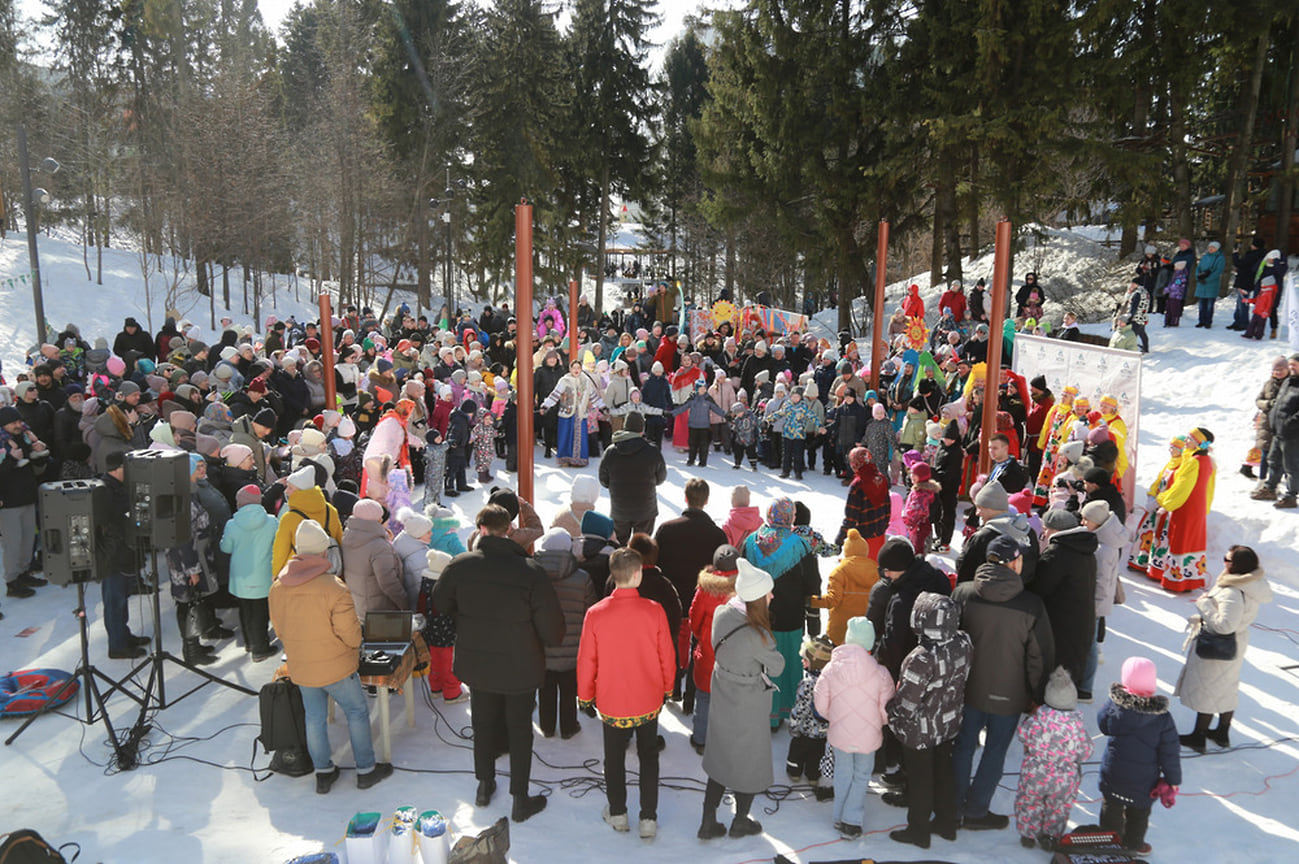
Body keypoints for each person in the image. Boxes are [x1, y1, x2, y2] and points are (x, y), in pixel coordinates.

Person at [432, 504, 564, 823]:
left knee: (483, 724)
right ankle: (520, 799)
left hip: (477, 663)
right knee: (520, 730)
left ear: (481, 530)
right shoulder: (530, 571)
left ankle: (484, 785)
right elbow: (553, 630)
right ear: (509, 530)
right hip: (521, 666)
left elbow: (439, 603)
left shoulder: (461, 565)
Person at [268, 519, 393, 794]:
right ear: (325, 552)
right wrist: (356, 647)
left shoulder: (277, 587)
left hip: (300, 665)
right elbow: (351, 635)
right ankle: (365, 770)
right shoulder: (334, 587)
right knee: (357, 712)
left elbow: (279, 629)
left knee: (314, 718)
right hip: (337, 666)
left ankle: (323, 773)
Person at [950, 535, 1054, 830]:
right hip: (1009, 695)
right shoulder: (1031, 605)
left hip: (967, 688)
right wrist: (1037, 694)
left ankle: (953, 807)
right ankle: (976, 810)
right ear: (1015, 562)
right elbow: (1039, 657)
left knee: (963, 747)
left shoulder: (963, 593)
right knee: (995, 752)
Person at [578, 547, 676, 839]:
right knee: (648, 756)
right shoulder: (654, 610)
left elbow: (587, 660)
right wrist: (668, 687)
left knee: (613, 758)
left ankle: (618, 812)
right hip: (648, 697)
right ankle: (648, 817)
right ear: (638, 574)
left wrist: (585, 695)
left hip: (612, 700)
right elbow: (666, 655)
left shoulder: (595, 614)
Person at [698, 558, 784, 841]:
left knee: (722, 756)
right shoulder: (758, 636)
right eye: (768, 593)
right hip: (749, 703)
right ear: (757, 598)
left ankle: (708, 821)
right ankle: (740, 821)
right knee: (749, 761)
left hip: (723, 693)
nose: (773, 596)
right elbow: (778, 667)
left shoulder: (722, 614)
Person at [886, 592, 972, 850]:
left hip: (920, 731)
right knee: (944, 772)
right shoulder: (963, 642)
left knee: (920, 779)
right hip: (948, 723)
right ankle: (947, 824)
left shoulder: (920, 658)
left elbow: (907, 702)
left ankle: (918, 831)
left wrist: (891, 712)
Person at [1174, 544, 1272, 751]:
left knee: (1209, 689)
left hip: (1219, 644)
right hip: (1236, 643)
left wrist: (1204, 605)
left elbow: (1225, 626)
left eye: (1227, 560)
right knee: (1226, 688)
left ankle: (1198, 737)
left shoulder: (1233, 592)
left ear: (1237, 566)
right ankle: (1221, 732)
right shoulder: (1251, 582)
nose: (1224, 563)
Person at [814, 617, 894, 840]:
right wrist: (877, 722)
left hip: (839, 733)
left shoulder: (830, 669)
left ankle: (839, 816)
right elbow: (886, 710)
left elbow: (820, 703)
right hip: (869, 737)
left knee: (842, 773)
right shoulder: (881, 673)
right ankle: (851, 820)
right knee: (861, 775)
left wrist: (836, 718)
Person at [740, 498, 818, 727]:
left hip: (757, 615)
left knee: (759, 665)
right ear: (790, 516)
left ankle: (764, 713)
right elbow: (812, 585)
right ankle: (786, 711)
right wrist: (814, 622)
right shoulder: (800, 545)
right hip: (790, 618)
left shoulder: (752, 540)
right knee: (787, 665)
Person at [654, 478, 728, 705]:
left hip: (672, 597)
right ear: (706, 500)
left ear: (685, 498)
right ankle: (691, 696)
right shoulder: (717, 535)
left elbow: (656, 562)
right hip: (704, 600)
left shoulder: (666, 529)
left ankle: (673, 687)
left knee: (673, 643)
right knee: (699, 646)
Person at [1097, 657, 1181, 855]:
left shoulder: (1115, 706)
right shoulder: (1162, 718)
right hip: (1144, 781)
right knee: (1139, 814)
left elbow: (1103, 725)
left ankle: (1109, 844)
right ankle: (1133, 845)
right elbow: (1170, 752)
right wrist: (1173, 780)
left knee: (1111, 809)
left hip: (1114, 773)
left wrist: (1113, 699)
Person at [1013, 666, 1092, 851]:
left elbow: (1023, 735)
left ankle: (1028, 834)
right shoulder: (1077, 727)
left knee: (1029, 802)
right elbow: (1086, 751)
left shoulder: (1036, 721)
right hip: (1065, 780)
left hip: (1035, 775)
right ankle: (1051, 835)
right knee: (1059, 808)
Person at [536, 528, 595, 739]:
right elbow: (591, 611)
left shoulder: (533, 576)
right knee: (569, 690)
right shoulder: (582, 578)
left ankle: (547, 726)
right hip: (573, 648)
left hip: (541, 645)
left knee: (545, 689)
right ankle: (569, 727)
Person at [1030, 509, 1098, 690]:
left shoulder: (1058, 553)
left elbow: (1039, 587)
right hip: (1081, 619)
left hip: (1060, 621)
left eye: (1046, 529)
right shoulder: (1086, 550)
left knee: (1057, 666)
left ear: (1056, 530)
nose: (1044, 533)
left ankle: (1052, 705)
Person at [94, 449, 150, 657]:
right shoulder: (104, 490)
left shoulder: (116, 487)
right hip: (113, 555)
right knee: (114, 600)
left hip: (123, 552)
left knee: (122, 597)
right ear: (120, 469)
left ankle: (123, 634)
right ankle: (117, 645)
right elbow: (109, 521)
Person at [1146, 427, 1215, 592]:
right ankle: (1188, 579)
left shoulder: (1193, 461)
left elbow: (1181, 487)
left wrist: (1163, 501)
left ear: (1198, 443)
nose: (1186, 442)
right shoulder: (1207, 461)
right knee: (1191, 540)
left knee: (1179, 539)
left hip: (1186, 505)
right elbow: (1209, 488)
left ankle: (1176, 581)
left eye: (1190, 439)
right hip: (1197, 505)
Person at [220, 484, 279, 661]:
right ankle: (260, 648)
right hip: (263, 574)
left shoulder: (232, 523)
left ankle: (249, 643)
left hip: (240, 577)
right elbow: (277, 546)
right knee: (261, 612)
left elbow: (226, 547)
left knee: (245, 610)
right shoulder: (271, 521)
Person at [0, 405, 50, 606]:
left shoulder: (24, 439)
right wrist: (12, 460)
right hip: (9, 502)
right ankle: (12, 581)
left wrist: (39, 452)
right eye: (13, 422)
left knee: (28, 538)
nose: (18, 425)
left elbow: (38, 466)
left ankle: (23, 572)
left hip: (27, 496)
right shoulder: (3, 445)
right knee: (13, 543)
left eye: (19, 421)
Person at [598, 412, 667, 544]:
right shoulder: (652, 451)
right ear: (642, 429)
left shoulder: (611, 451)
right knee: (642, 548)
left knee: (619, 546)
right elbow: (661, 478)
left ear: (625, 427)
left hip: (619, 509)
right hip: (646, 509)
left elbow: (603, 480)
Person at [809, 528, 878, 645]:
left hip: (841, 631)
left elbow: (832, 600)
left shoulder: (839, 572)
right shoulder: (876, 572)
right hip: (864, 631)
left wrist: (811, 601)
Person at [786, 634, 834, 798]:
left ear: (814, 662)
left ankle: (794, 771)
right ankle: (813, 776)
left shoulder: (808, 683)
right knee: (817, 754)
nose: (802, 661)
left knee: (797, 751)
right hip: (823, 732)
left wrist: (794, 725)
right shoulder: (832, 681)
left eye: (805, 659)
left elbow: (801, 707)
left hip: (805, 730)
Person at [1251, 354, 1299, 508]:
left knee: (1291, 466)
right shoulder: (1288, 382)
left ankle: (1291, 497)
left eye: (1295, 365)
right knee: (1273, 461)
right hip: (1278, 432)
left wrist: (1289, 424)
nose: (1291, 367)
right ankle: (1270, 489)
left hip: (1293, 435)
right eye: (1290, 364)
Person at [901, 462, 940, 555]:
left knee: (917, 552)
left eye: (915, 475)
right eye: (911, 473)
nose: (911, 476)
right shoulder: (925, 490)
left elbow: (916, 512)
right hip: (925, 525)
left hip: (917, 528)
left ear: (922, 476)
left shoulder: (920, 494)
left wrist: (906, 521)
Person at [1194, 241, 1225, 328]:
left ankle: (1208, 321)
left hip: (1212, 284)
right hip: (1201, 283)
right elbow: (1198, 268)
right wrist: (1198, 277)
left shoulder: (1220, 258)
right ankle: (1201, 320)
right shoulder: (1205, 257)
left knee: (1209, 305)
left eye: (1213, 247)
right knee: (1201, 304)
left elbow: (1218, 271)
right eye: (1210, 247)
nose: (1211, 249)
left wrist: (1207, 279)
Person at [721, 485, 763, 549]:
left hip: (736, 557)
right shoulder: (759, 522)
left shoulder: (728, 523)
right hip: (753, 558)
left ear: (733, 502)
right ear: (748, 501)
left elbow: (725, 547)